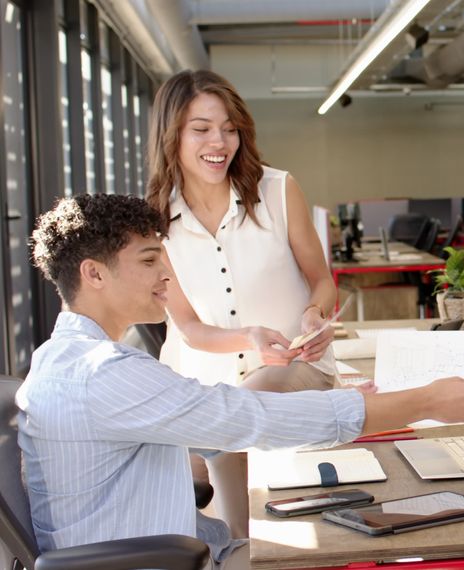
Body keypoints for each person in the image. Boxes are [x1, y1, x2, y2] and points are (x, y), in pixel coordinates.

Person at [19, 193, 464, 567]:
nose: (167, 273)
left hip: (178, 549)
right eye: (149, 261)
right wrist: (423, 401)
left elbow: (213, 413)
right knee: (398, 542)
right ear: (93, 274)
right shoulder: (102, 374)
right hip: (168, 562)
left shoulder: (68, 359)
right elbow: (245, 418)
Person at [143, 70, 342, 538]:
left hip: (294, 367)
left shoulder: (277, 189)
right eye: (202, 128)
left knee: (242, 403)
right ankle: (226, 534)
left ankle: (197, 464)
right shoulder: (153, 218)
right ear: (171, 135)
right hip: (207, 380)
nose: (220, 141)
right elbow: (189, 328)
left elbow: (322, 280)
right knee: (236, 529)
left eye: (230, 128)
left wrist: (314, 315)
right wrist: (247, 336)